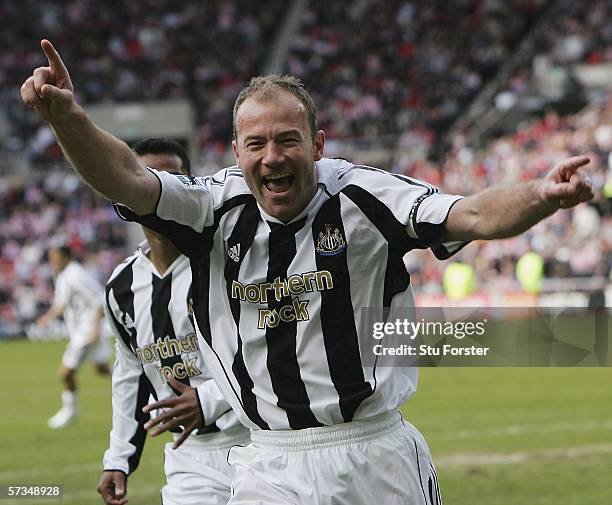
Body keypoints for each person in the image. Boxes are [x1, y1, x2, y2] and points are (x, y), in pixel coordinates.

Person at [22, 40, 593, 504]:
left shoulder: (368, 197)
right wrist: (68, 118)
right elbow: (127, 179)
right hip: (269, 461)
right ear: (236, 152)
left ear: (317, 145)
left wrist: (541, 194)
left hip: (374, 455)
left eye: (288, 140)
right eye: (256, 144)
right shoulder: (211, 208)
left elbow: (470, 212)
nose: (272, 156)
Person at [97, 137, 249, 505]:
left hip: (257, 440)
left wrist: (208, 399)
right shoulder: (121, 288)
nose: (158, 188)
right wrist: (118, 458)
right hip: (189, 457)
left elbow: (274, 348)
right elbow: (130, 372)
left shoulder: (229, 263)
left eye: (172, 178)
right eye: (146, 177)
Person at [36, 244, 111, 429]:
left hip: (86, 331)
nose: (53, 262)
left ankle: (70, 411)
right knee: (101, 369)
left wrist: (94, 329)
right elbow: (61, 305)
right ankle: (142, 384)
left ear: (65, 257)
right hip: (82, 330)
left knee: (65, 372)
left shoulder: (76, 275)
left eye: (55, 258)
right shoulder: (64, 275)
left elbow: (100, 298)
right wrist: (47, 318)